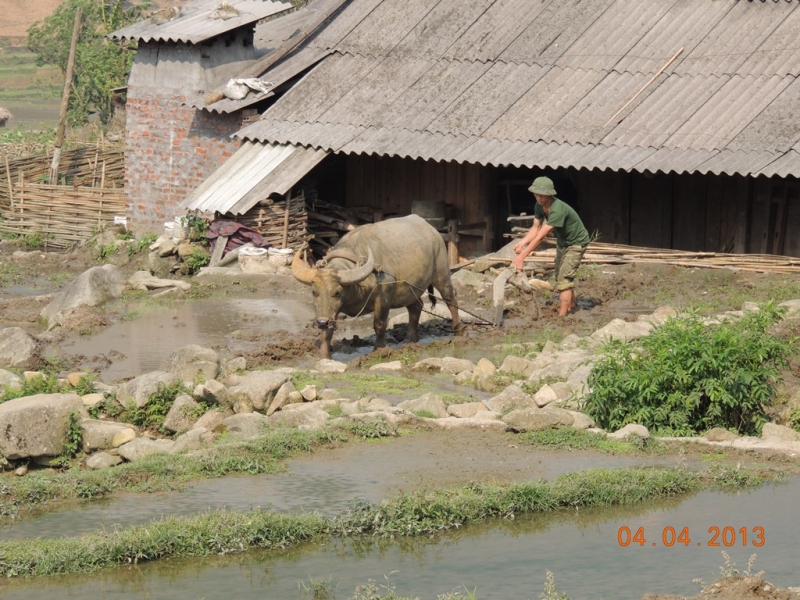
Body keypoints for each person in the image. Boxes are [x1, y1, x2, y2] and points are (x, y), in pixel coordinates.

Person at [512, 176, 590, 317]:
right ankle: (572, 306)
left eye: (542, 195)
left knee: (564, 279)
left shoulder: (557, 209)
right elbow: (536, 228)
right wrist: (522, 243)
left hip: (576, 242)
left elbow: (542, 235)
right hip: (563, 242)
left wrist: (522, 256)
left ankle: (562, 317)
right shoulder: (539, 206)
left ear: (549, 194)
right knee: (559, 273)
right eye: (536, 195)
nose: (539, 198)